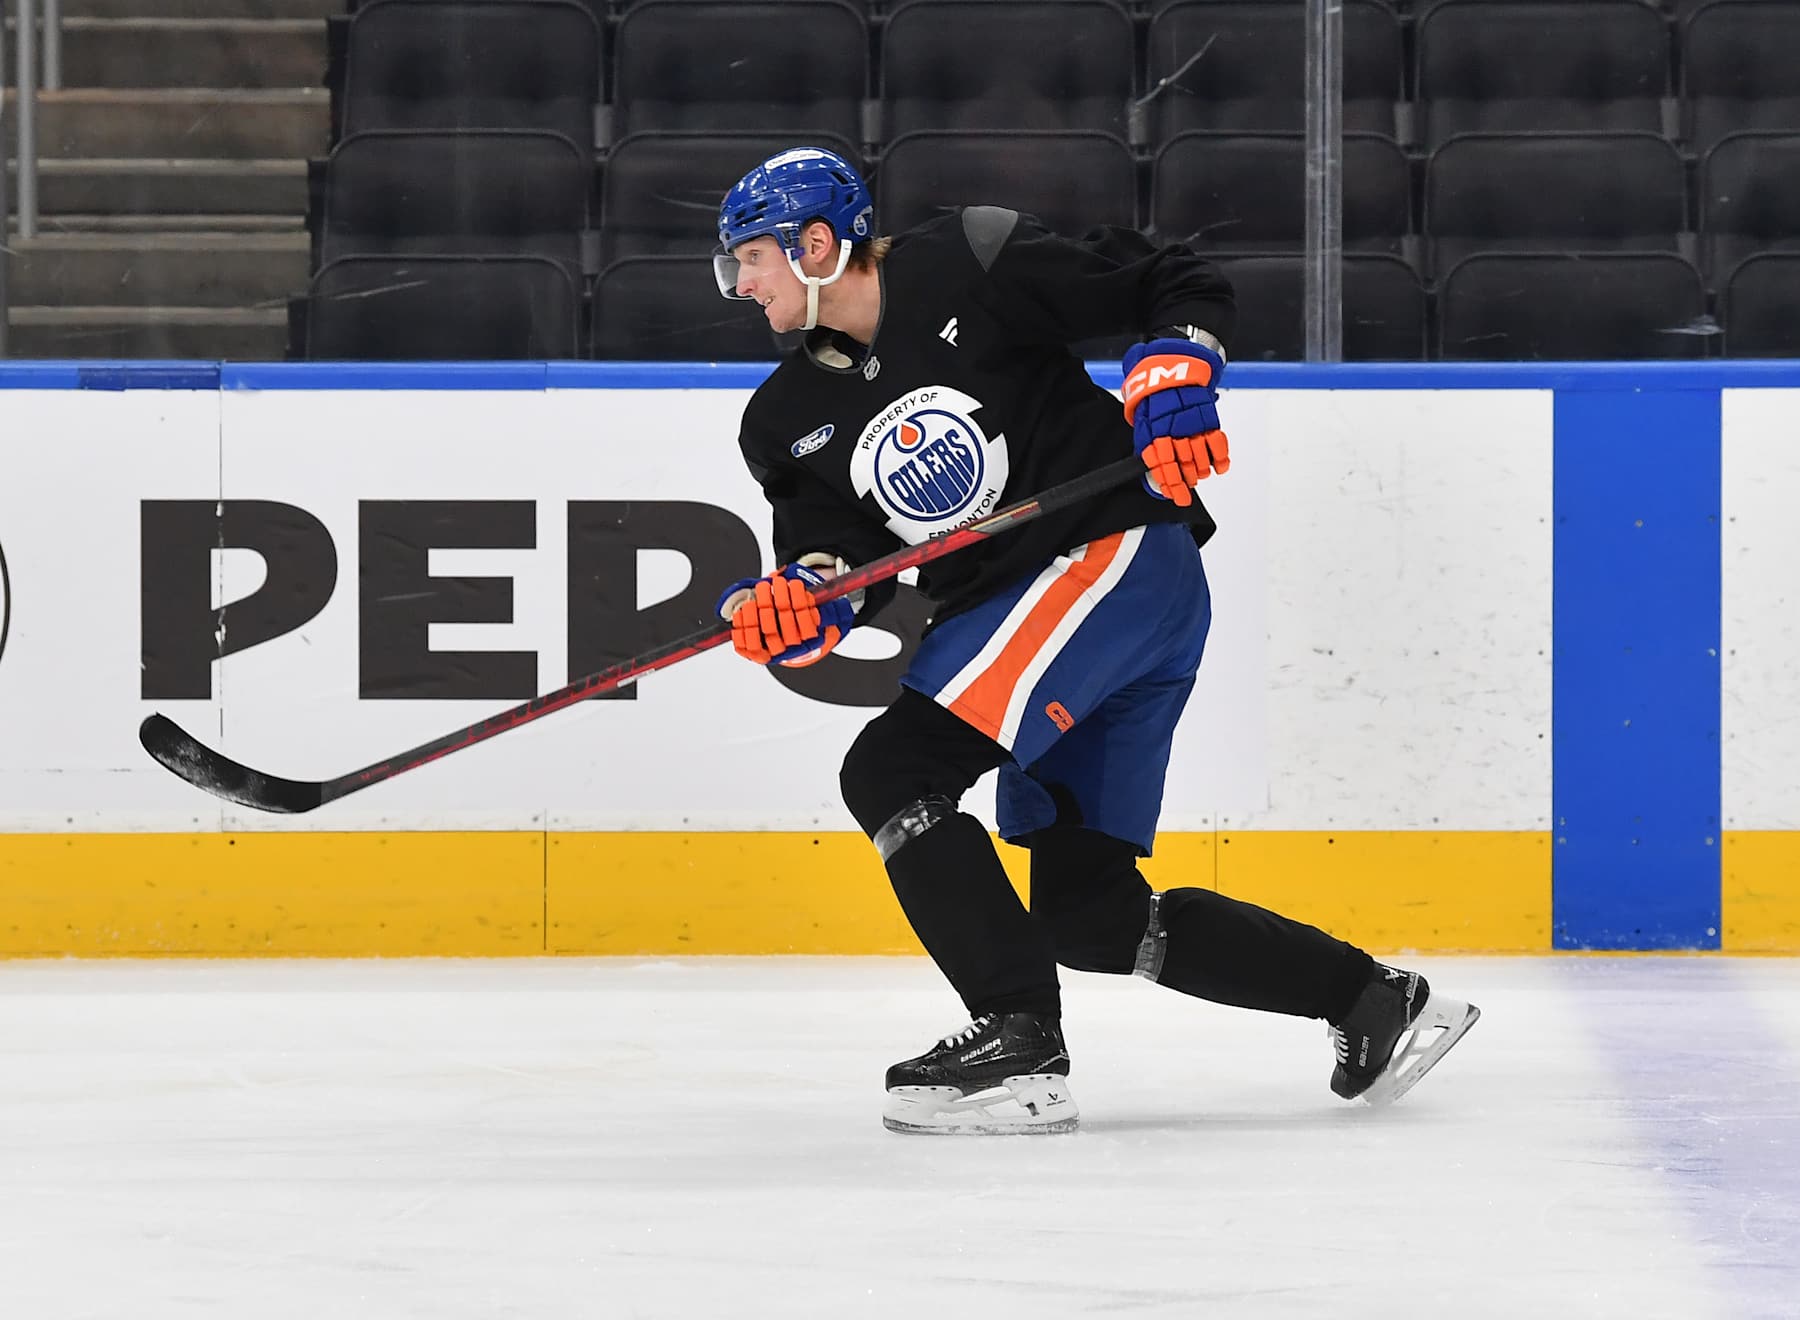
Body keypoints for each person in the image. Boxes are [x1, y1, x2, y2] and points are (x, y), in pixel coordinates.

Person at [709, 146, 1479, 1135]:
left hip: (1110, 560)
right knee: (1091, 916)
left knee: (894, 768)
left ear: (820, 243)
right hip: (1058, 611)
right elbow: (839, 559)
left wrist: (1177, 361)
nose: (745, 283)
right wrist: (800, 598)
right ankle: (1370, 1001)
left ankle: (1016, 1040)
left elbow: (1175, 281)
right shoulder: (784, 420)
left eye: (754, 257)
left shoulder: (970, 261)